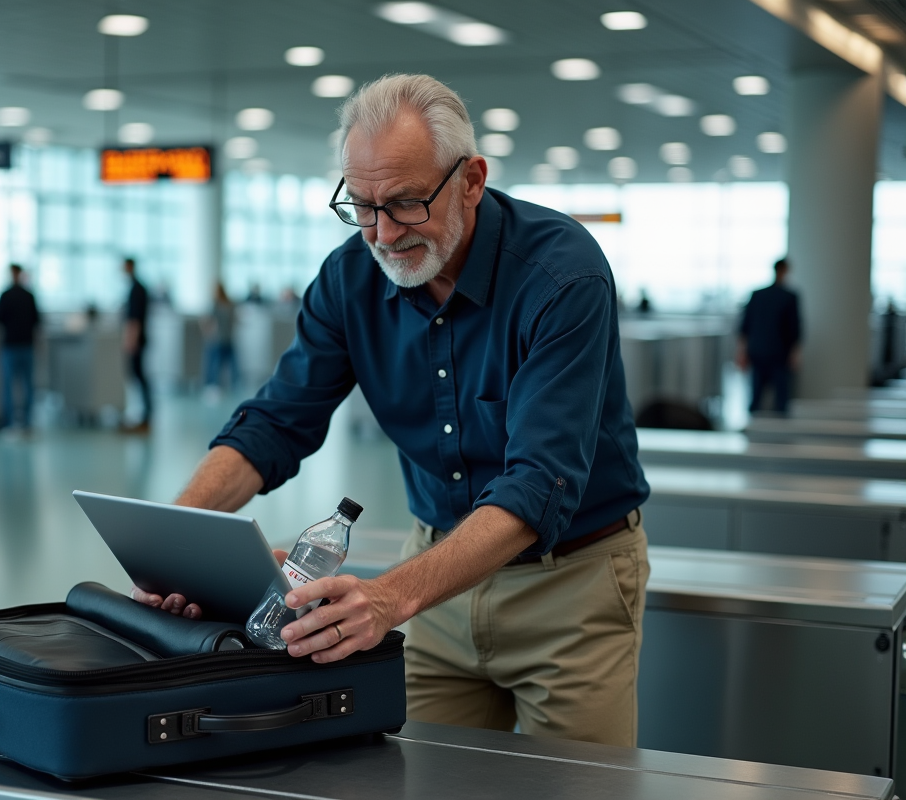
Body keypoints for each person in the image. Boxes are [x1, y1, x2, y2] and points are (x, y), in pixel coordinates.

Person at [133, 75, 651, 747]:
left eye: (405, 203)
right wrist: (178, 535)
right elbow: (275, 422)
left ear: (470, 179)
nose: (381, 233)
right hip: (436, 579)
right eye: (362, 206)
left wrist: (386, 598)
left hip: (571, 588)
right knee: (421, 780)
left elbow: (536, 485)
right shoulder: (349, 279)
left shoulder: (562, 277)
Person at [737, 258, 802, 415]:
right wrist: (795, 353)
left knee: (756, 396)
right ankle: (781, 434)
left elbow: (745, 326)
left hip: (758, 350)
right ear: (785, 271)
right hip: (779, 353)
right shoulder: (789, 297)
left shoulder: (757, 295)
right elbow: (795, 328)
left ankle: (752, 432)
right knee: (781, 399)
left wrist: (742, 351)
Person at [0, 264, 40, 433]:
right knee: (27, 384)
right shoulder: (29, 296)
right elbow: (37, 321)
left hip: (11, 345)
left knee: (9, 385)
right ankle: (27, 422)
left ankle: (9, 422)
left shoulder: (6, 295)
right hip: (26, 345)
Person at [121, 257, 152, 433]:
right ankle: (143, 413)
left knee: (139, 377)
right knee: (139, 377)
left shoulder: (136, 289)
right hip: (139, 339)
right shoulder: (138, 288)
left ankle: (144, 414)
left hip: (137, 341)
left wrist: (130, 341)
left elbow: (135, 319)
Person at [203, 282, 239, 395]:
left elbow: (209, 321)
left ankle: (214, 386)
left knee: (216, 364)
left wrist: (208, 333)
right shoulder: (230, 304)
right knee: (229, 364)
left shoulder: (216, 305)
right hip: (227, 337)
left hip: (219, 338)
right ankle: (231, 386)